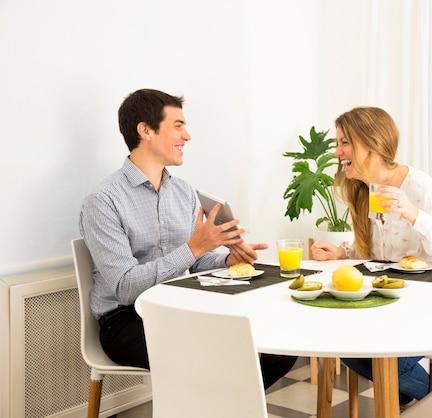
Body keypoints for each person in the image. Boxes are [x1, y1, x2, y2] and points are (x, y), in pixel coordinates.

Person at [79, 88, 297, 389]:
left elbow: (196, 264)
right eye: (178, 126)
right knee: (216, 356)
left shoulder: (182, 192)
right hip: (126, 320)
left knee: (278, 351)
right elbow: (126, 287)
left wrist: (227, 259)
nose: (188, 136)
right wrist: (196, 245)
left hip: (181, 304)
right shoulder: (103, 201)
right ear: (146, 131)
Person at [310, 106, 432, 406]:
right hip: (386, 309)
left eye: (344, 142)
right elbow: (377, 253)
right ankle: (427, 398)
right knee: (342, 343)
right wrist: (343, 251)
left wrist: (415, 215)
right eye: (338, 143)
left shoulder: (420, 188)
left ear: (371, 143)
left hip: (427, 309)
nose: (338, 152)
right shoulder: (363, 190)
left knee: (374, 358)